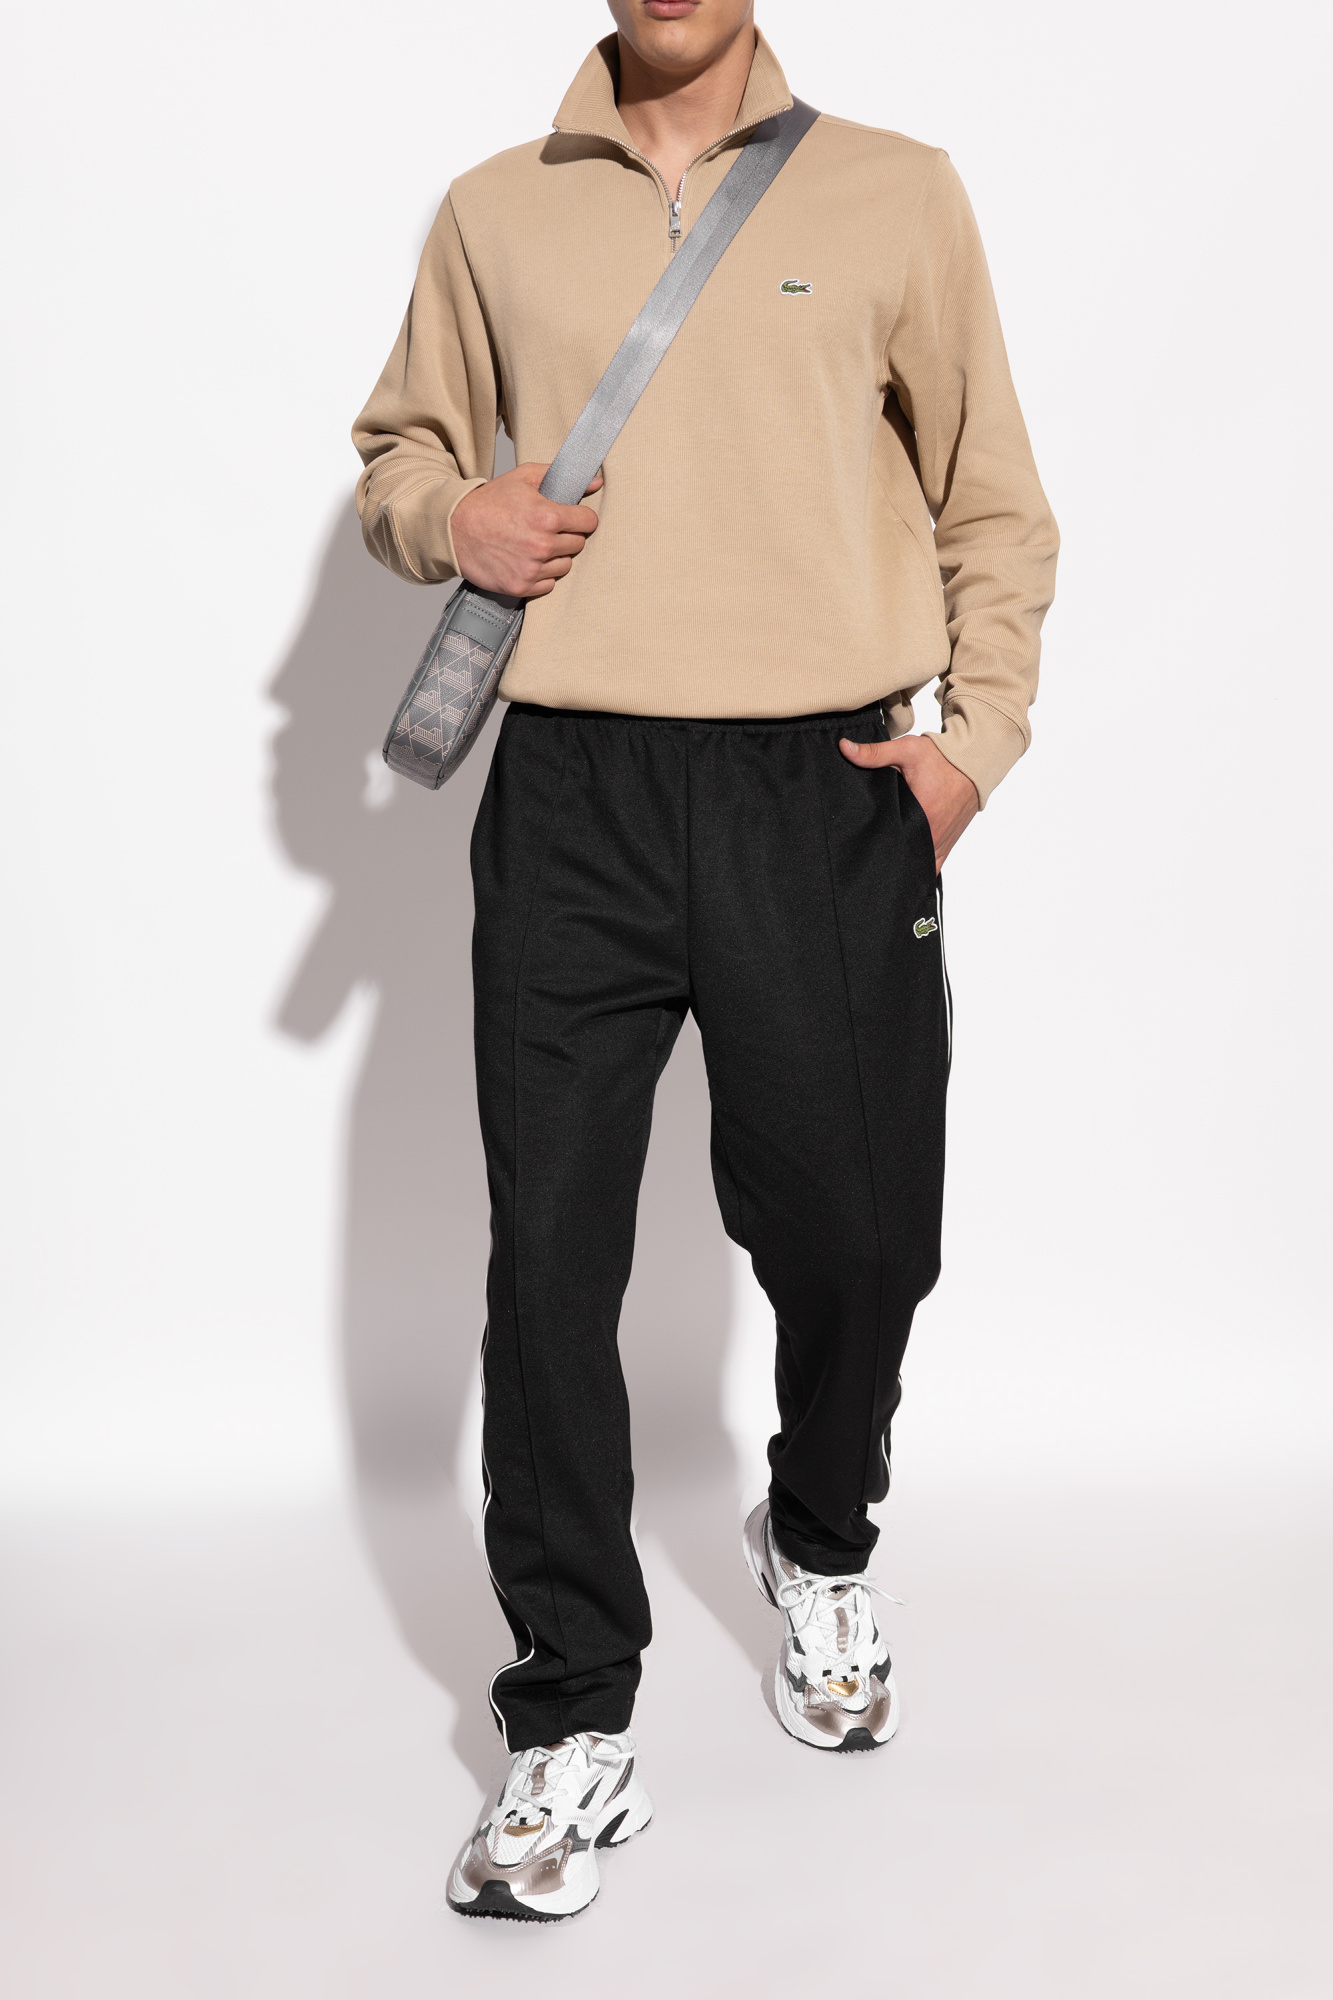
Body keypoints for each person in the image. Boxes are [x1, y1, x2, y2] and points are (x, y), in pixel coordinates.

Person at [353, 0, 1057, 1923]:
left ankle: (817, 1533)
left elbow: (992, 494)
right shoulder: (495, 207)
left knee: (855, 1231)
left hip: (821, 787)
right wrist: (452, 512)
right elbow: (399, 452)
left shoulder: (898, 193)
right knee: (548, 1262)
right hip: (571, 792)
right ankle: (570, 1713)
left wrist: (972, 746)